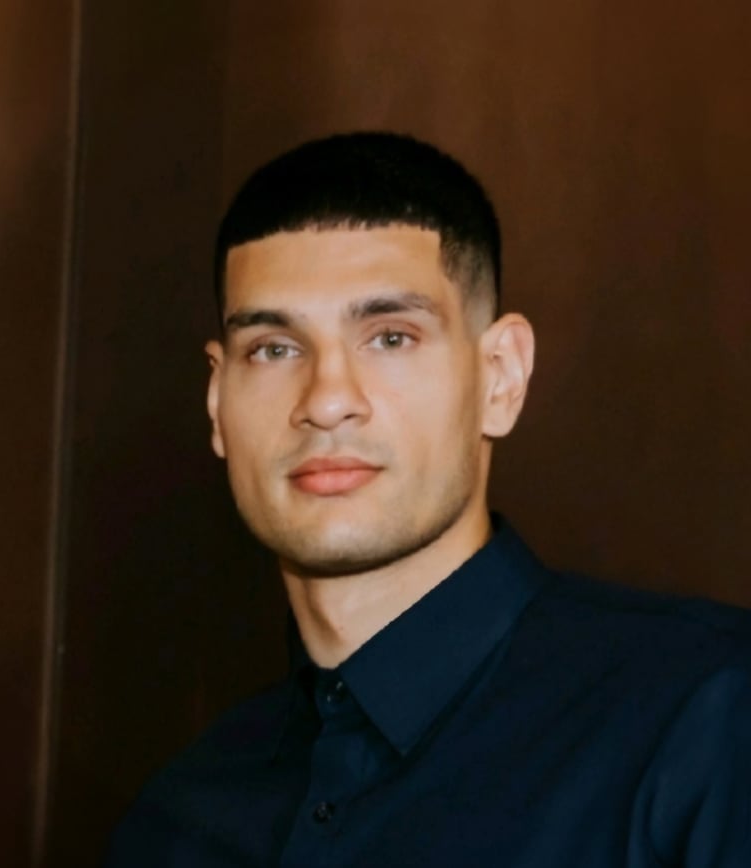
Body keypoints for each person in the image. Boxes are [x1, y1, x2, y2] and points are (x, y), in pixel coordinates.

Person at [105, 132, 751, 867]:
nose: (327, 401)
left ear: (500, 378)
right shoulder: (176, 819)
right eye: (274, 349)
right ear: (219, 401)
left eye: (390, 337)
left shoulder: (708, 720)